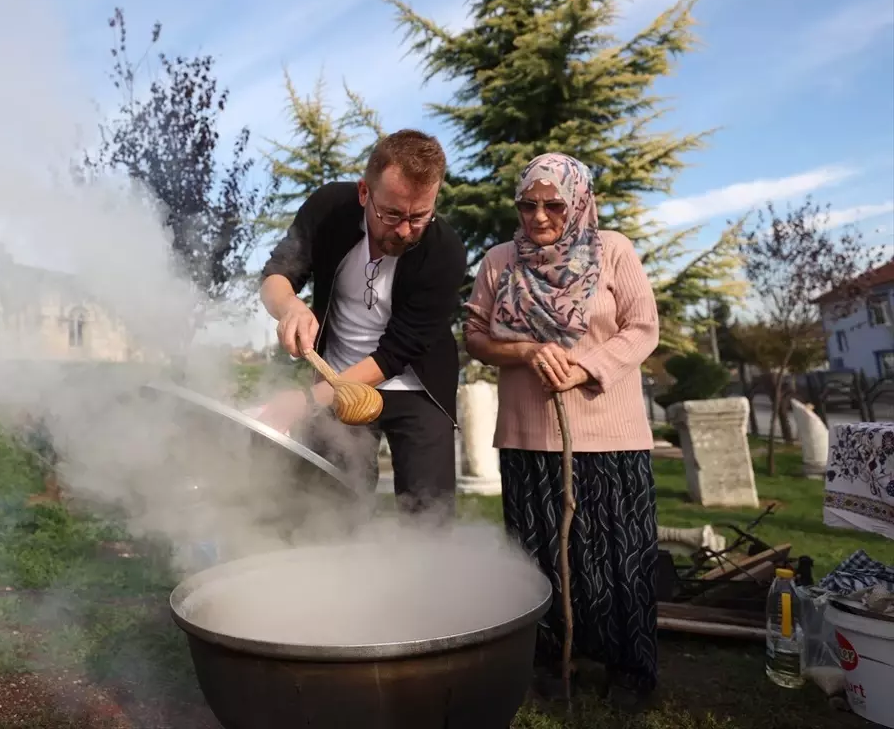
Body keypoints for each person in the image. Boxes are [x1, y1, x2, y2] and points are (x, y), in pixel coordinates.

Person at [462, 152, 661, 703]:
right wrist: (525, 350)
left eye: (554, 204)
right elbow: (474, 335)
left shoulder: (613, 250)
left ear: (578, 203)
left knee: (619, 557)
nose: (540, 216)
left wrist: (586, 366)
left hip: (610, 434)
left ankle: (627, 669)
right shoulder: (501, 261)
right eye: (528, 205)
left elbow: (643, 328)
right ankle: (551, 663)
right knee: (539, 556)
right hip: (528, 436)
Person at [256, 129, 467, 520]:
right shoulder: (329, 209)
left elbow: (396, 353)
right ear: (364, 193)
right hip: (336, 376)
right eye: (391, 214)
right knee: (330, 507)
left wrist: (305, 402)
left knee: (428, 516)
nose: (404, 230)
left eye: (419, 216)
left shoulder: (445, 251)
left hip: (415, 385)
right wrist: (290, 308)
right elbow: (276, 275)